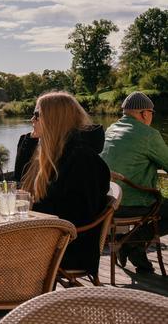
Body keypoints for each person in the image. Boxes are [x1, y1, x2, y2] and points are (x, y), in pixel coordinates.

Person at [15, 91, 110, 276]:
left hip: (69, 248)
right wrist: (27, 143)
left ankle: (5, 300)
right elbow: (21, 183)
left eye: (37, 115)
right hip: (45, 238)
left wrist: (33, 210)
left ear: (54, 119)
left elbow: (74, 215)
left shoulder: (82, 160)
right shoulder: (53, 155)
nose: (31, 120)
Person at [100, 91, 168, 273]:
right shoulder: (148, 135)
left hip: (108, 201)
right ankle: (130, 242)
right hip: (132, 203)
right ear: (145, 113)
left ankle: (135, 249)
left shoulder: (110, 130)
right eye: (152, 113)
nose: (152, 116)